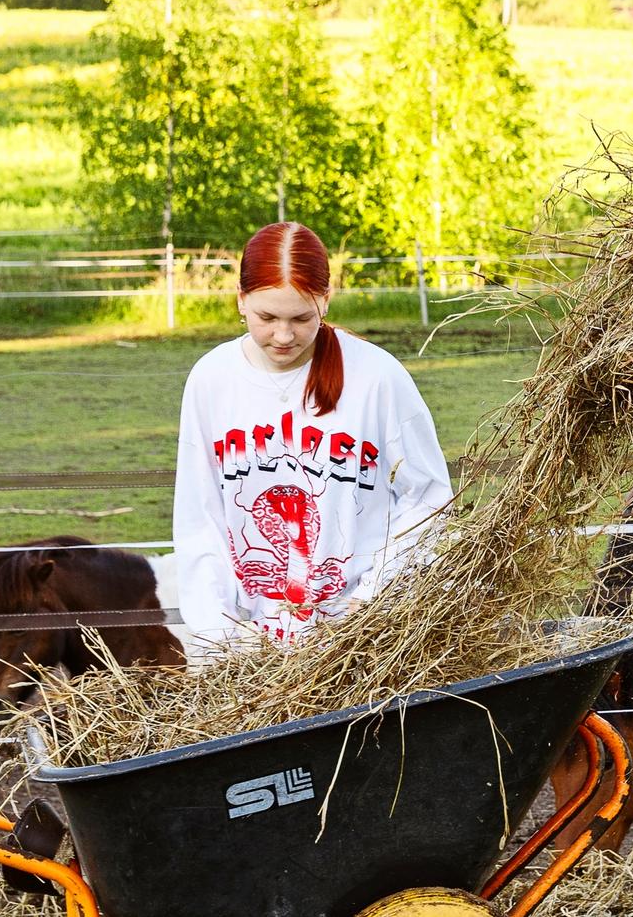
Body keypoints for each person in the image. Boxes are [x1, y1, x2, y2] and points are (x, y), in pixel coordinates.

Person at [169, 222, 453, 650]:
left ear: (325, 300)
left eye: (301, 318)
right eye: (266, 317)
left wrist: (370, 600)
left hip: (365, 636)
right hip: (253, 648)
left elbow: (429, 499)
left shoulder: (376, 376)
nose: (283, 336)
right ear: (241, 300)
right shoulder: (212, 379)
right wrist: (221, 636)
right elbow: (200, 514)